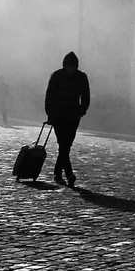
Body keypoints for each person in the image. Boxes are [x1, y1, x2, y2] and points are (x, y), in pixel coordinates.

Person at [45, 52, 90, 187]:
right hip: (58, 116)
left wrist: (82, 111)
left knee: (66, 145)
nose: (71, 69)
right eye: (69, 66)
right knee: (63, 144)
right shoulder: (57, 76)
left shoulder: (81, 77)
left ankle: (58, 174)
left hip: (73, 116)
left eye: (73, 66)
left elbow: (86, 96)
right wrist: (50, 115)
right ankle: (69, 174)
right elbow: (50, 97)